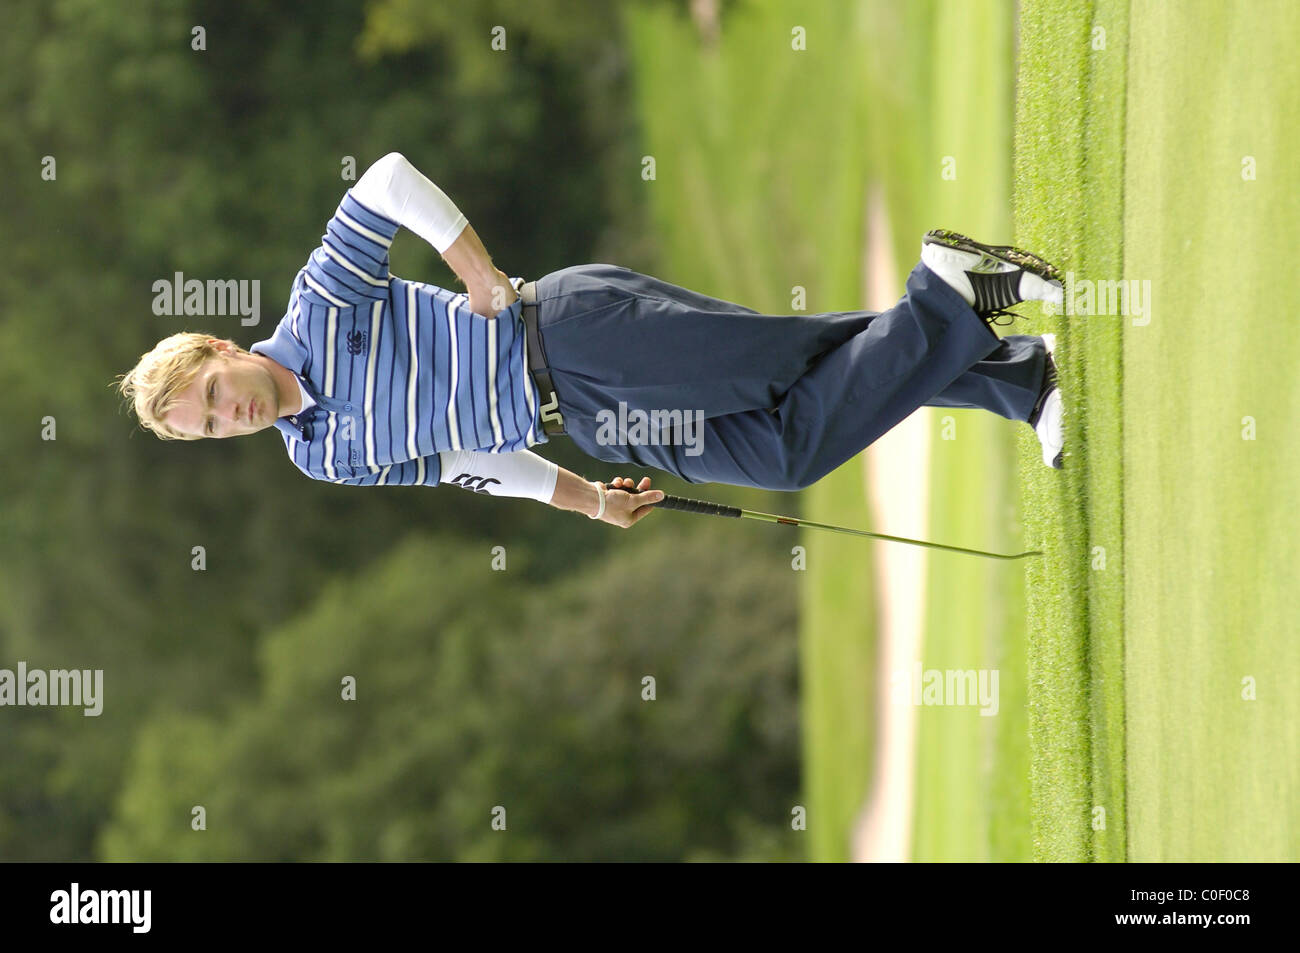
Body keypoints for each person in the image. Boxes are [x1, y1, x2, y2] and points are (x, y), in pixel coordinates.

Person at [115, 153, 1064, 530]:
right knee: (786, 444)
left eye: (207, 393)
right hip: (592, 421)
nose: (223, 415)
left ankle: (969, 317)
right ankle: (1003, 355)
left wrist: (477, 272)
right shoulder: (326, 457)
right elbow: (463, 462)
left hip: (572, 333)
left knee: (789, 367)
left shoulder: (317, 306)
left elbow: (387, 182)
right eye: (206, 429)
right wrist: (586, 502)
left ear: (219, 348)